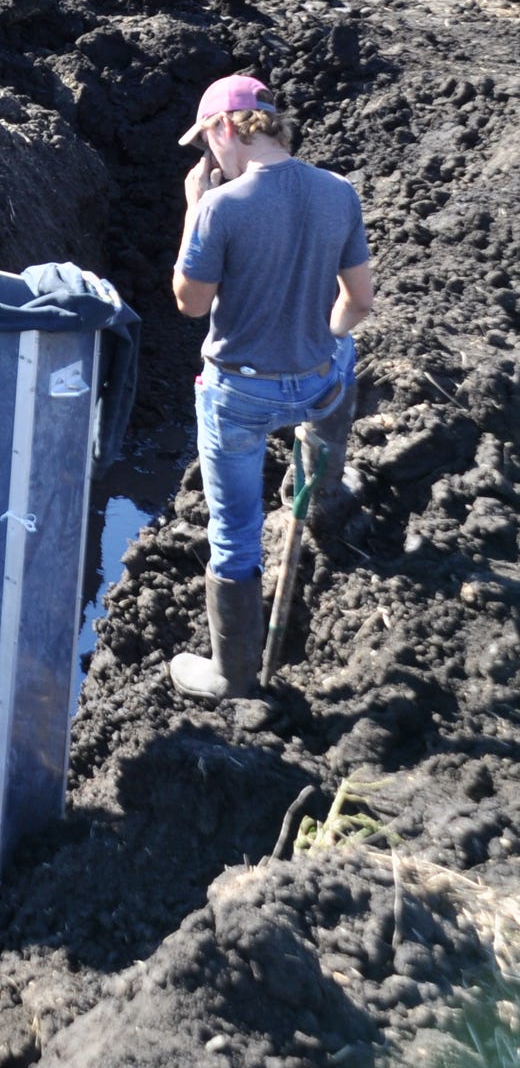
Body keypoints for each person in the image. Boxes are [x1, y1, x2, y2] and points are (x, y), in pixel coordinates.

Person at [170, 74, 375, 700]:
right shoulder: (338, 192)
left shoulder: (219, 208)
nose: (210, 158)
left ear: (226, 126)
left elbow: (190, 304)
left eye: (208, 140)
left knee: (234, 530)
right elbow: (359, 302)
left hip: (239, 395)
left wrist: (193, 210)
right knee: (347, 352)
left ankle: (231, 675)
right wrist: (323, 337)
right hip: (314, 385)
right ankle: (323, 489)